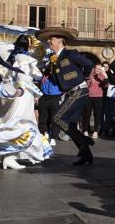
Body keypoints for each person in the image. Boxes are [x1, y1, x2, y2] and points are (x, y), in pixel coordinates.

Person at [0, 34, 52, 169]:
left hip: (14, 91)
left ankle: (4, 155)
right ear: (28, 46)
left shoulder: (12, 57)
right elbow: (22, 77)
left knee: (11, 122)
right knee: (21, 123)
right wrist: (22, 90)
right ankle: (9, 157)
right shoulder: (24, 59)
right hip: (22, 95)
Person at [36, 26, 94, 166]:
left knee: (58, 118)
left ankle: (83, 141)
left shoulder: (70, 54)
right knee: (70, 123)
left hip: (79, 90)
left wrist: (84, 78)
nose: (50, 41)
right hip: (70, 93)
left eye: (53, 39)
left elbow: (89, 64)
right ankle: (85, 153)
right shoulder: (53, 59)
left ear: (60, 41)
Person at [38, 57, 63, 147]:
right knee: (43, 118)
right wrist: (46, 66)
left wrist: (54, 69)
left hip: (55, 97)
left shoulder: (58, 73)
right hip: (44, 97)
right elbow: (40, 67)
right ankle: (42, 134)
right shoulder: (44, 73)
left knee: (54, 118)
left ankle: (53, 137)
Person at [83, 63, 108, 139]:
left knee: (97, 115)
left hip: (99, 97)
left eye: (100, 69)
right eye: (97, 69)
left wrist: (105, 76)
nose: (98, 70)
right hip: (89, 96)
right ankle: (85, 130)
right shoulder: (90, 74)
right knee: (87, 114)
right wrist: (90, 81)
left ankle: (96, 131)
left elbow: (106, 85)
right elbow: (85, 84)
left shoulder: (103, 75)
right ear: (94, 68)